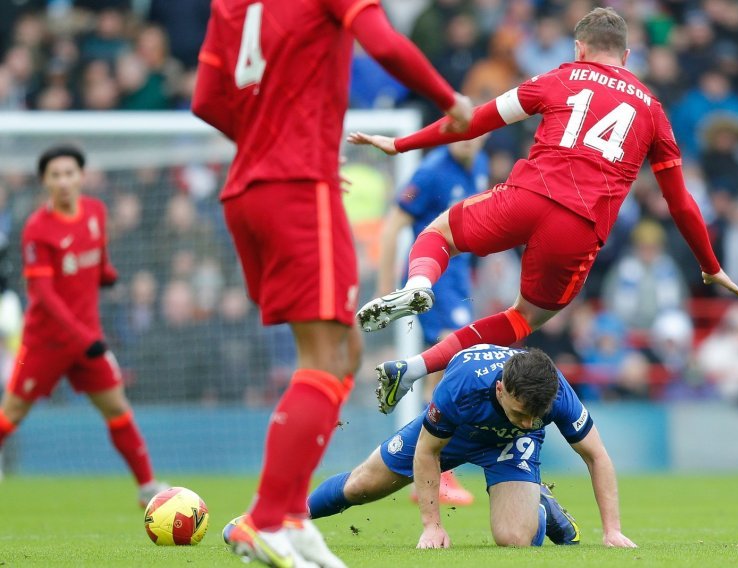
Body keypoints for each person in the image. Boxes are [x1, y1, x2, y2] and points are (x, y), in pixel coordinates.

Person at [350, 7, 738, 414]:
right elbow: (679, 201)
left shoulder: (560, 77)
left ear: (579, 48)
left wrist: (400, 144)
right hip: (579, 227)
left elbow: (475, 122)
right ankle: (413, 369)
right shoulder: (652, 110)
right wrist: (710, 263)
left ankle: (419, 285)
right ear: (626, 57)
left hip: (527, 197)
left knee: (438, 234)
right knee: (523, 318)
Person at [191, 1, 473, 565]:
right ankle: (266, 519)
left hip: (249, 189)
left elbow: (205, 100)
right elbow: (385, 43)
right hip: (297, 188)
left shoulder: (230, 5)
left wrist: (266, 144)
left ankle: (292, 517)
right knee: (324, 358)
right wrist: (451, 102)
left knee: (342, 352)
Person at [304, 346, 636, 549]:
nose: (526, 421)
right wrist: (433, 526)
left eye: (534, 417)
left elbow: (597, 456)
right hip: (456, 433)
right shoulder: (462, 384)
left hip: (509, 446)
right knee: (362, 485)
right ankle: (285, 517)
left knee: (514, 540)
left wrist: (613, 531)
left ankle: (538, 507)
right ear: (501, 389)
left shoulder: (556, 393)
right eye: (520, 413)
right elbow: (428, 451)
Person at [0, 145, 167, 506]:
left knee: (118, 409)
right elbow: (43, 295)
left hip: (87, 341)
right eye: (55, 175)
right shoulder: (37, 229)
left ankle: (146, 487)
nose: (63, 181)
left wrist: (106, 274)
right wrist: (84, 337)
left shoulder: (95, 211)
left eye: (69, 173)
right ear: (44, 181)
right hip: (43, 344)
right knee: (11, 414)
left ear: (81, 176)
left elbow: (99, 254)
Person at [377, 138, 489, 505]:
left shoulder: (480, 163)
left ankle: (433, 472)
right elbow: (393, 224)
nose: (470, 139)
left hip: (459, 283)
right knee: (449, 365)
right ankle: (435, 473)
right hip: (435, 279)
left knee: (449, 368)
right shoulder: (431, 172)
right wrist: (385, 290)